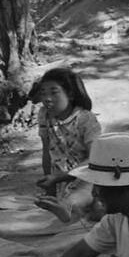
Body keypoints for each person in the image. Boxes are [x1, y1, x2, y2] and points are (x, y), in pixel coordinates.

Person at [31, 67, 102, 223]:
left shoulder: (86, 119)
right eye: (43, 93)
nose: (47, 98)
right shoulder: (44, 115)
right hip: (60, 181)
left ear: (69, 94)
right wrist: (49, 187)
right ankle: (64, 207)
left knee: (80, 199)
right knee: (50, 203)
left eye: (54, 92)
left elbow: (95, 159)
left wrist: (59, 177)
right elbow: (46, 152)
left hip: (88, 178)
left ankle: (69, 209)